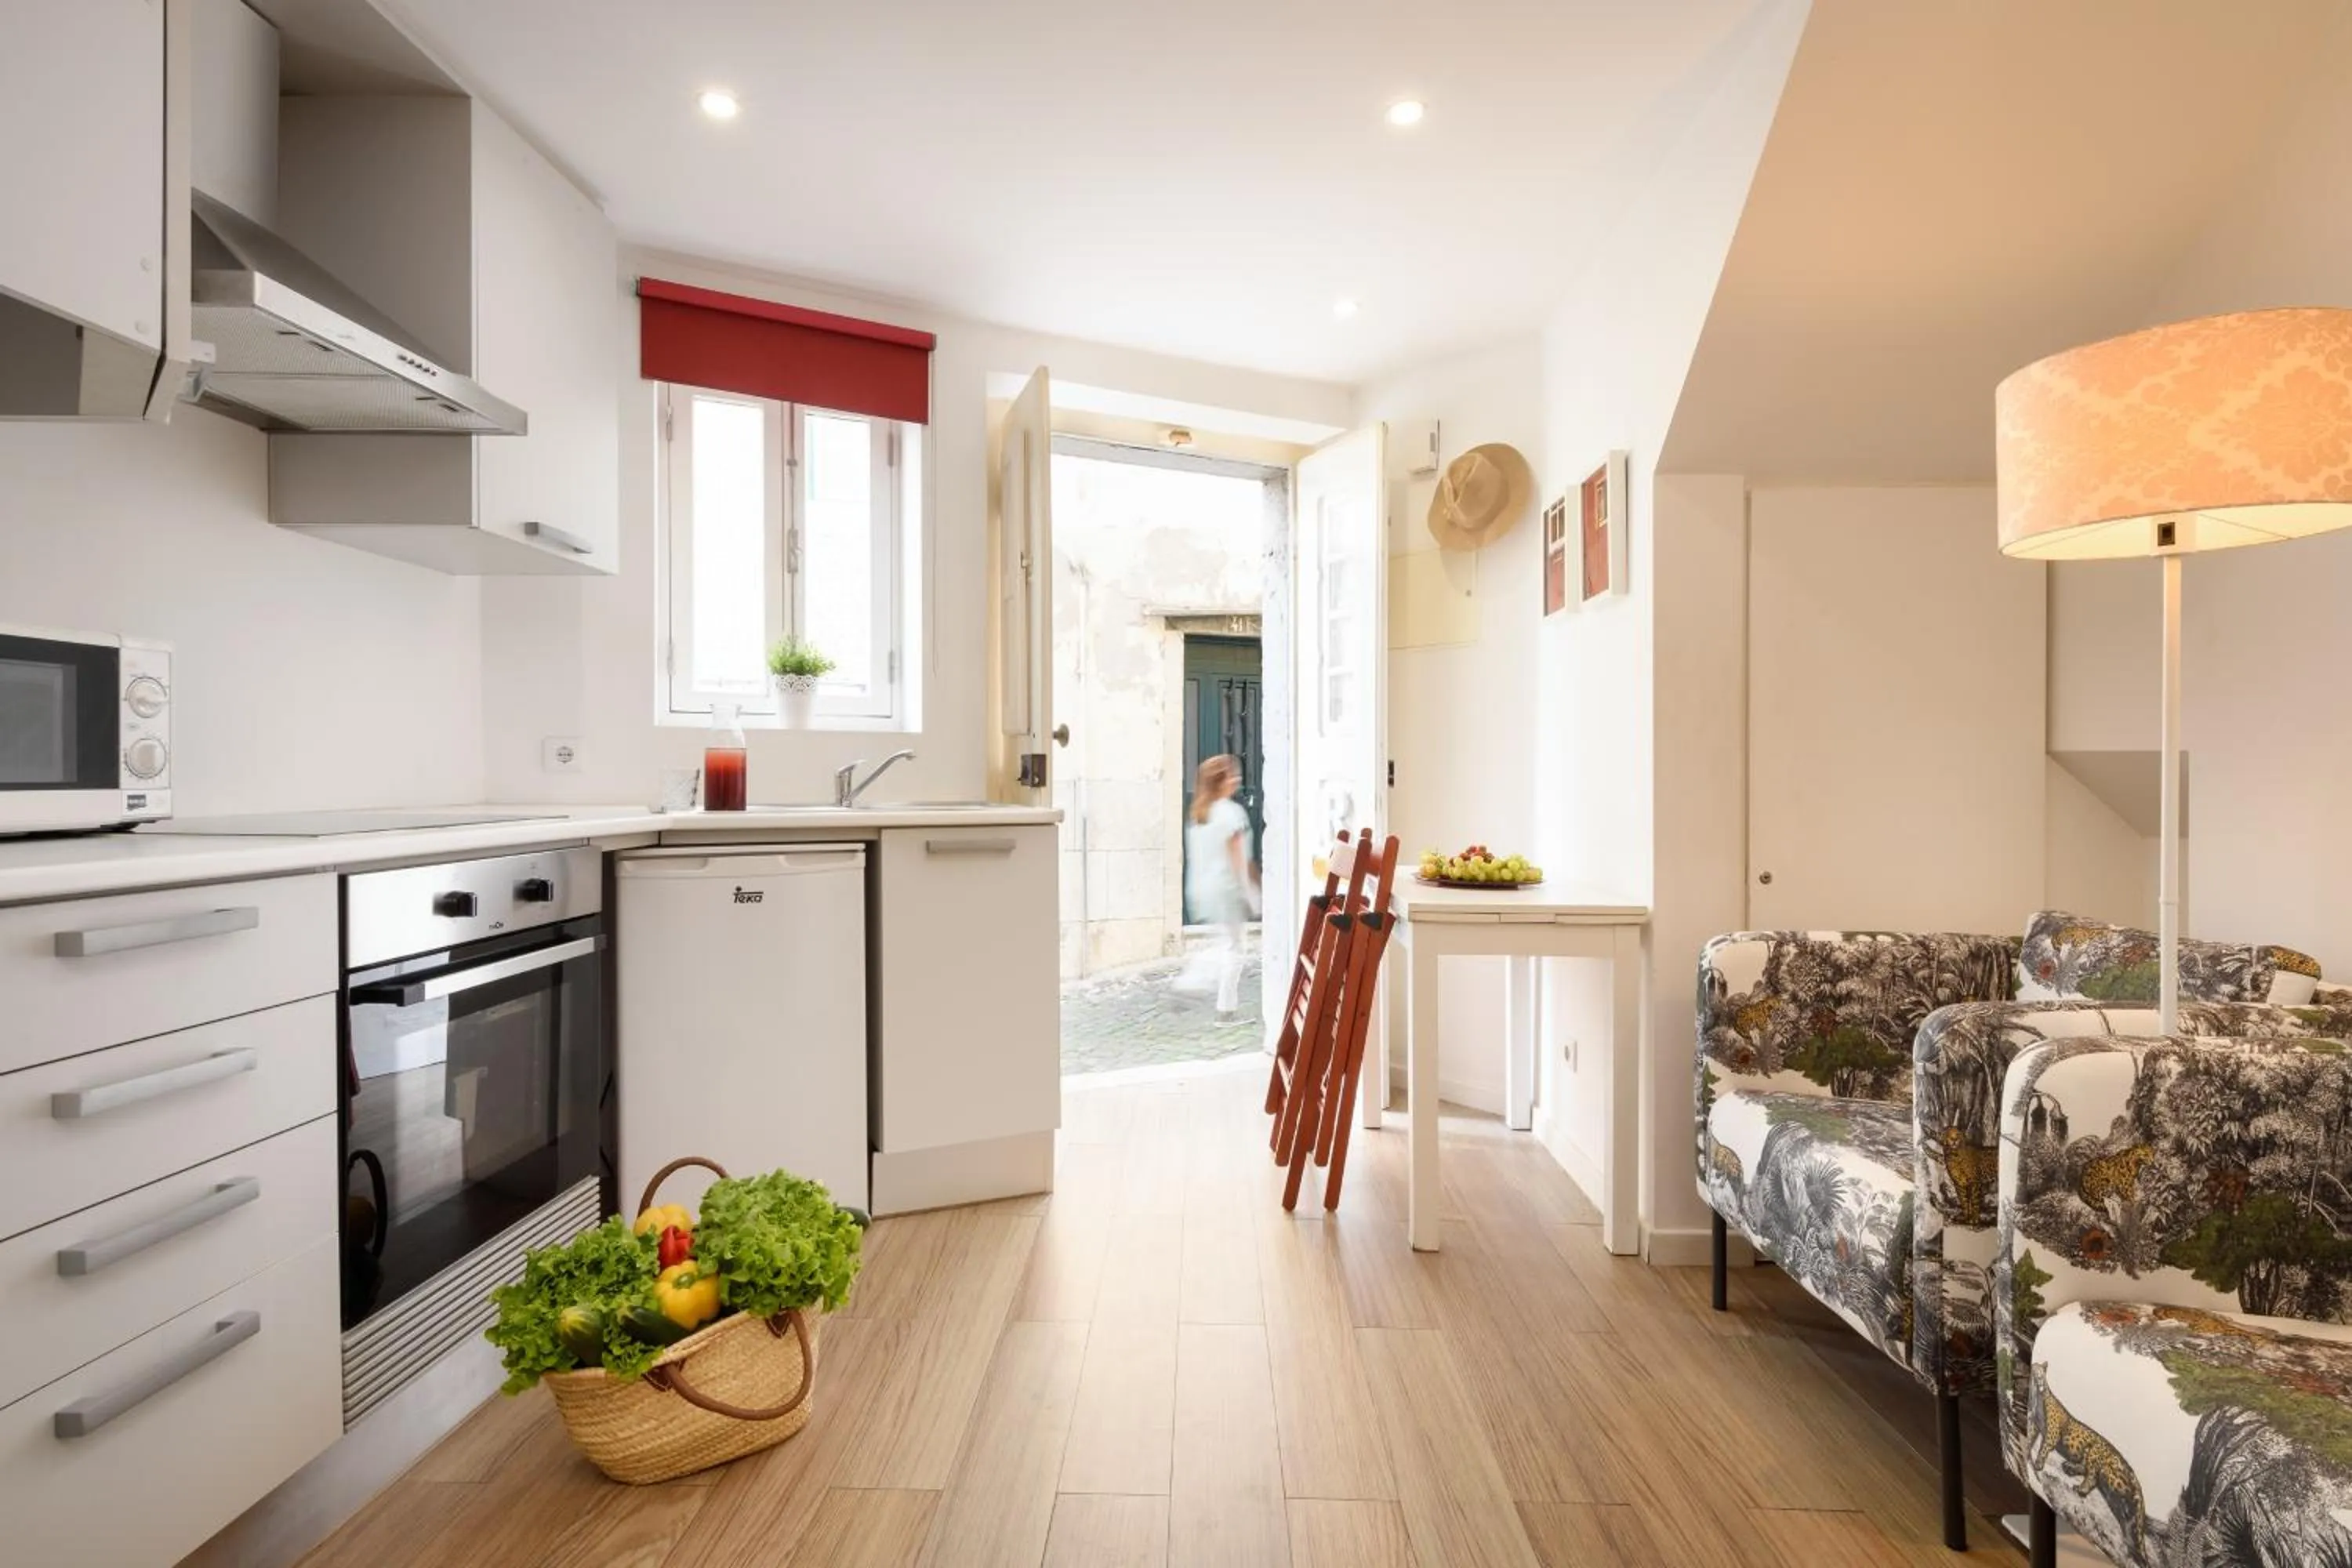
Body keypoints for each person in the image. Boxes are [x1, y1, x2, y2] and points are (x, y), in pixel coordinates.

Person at [1183, 753, 1256, 1018]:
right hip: (1227, 889)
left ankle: (1197, 982)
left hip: (1204, 889)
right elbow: (1238, 858)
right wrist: (1250, 891)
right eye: (1232, 775)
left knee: (1225, 942)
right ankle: (1223, 1008)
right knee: (1235, 948)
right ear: (1220, 782)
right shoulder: (1231, 812)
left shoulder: (1199, 815)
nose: (1237, 779)